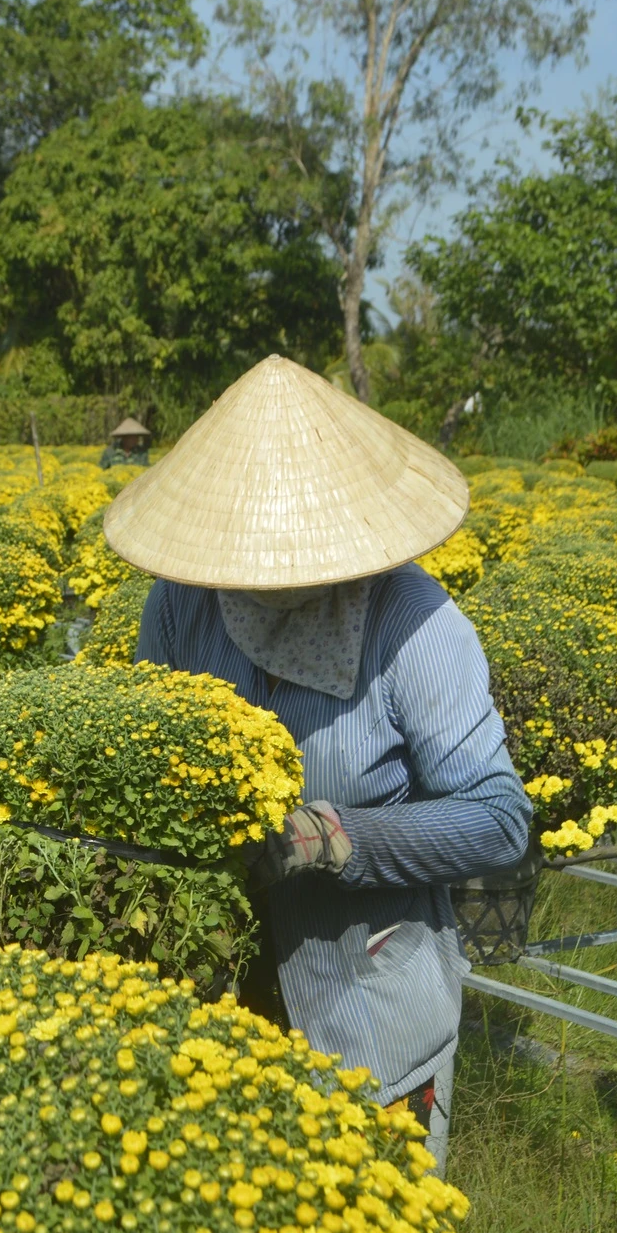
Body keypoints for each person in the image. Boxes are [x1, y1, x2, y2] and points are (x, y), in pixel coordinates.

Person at [102, 354, 531, 1166]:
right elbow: (149, 749)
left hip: (366, 1003)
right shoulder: (185, 599)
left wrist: (330, 838)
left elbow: (498, 817)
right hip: (208, 995)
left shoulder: (411, 620)